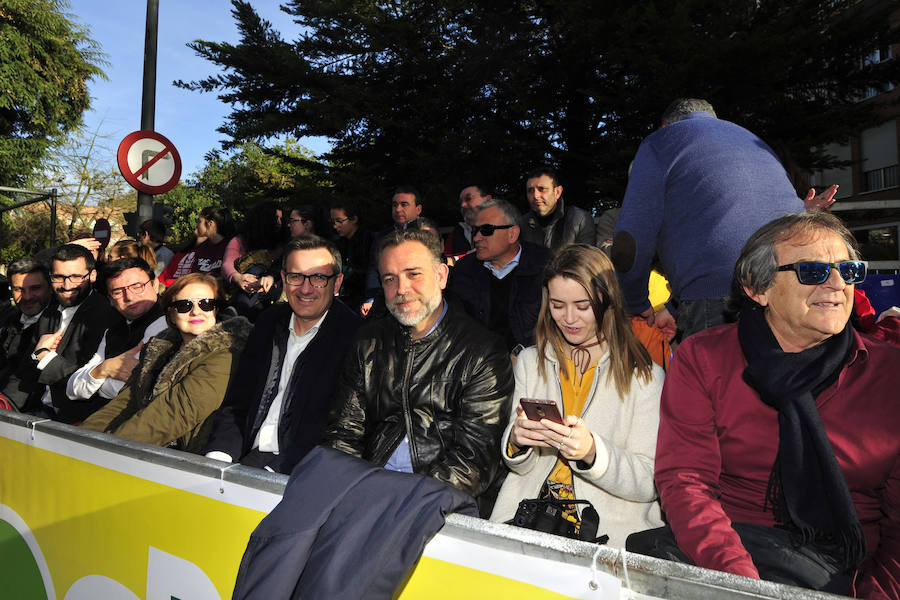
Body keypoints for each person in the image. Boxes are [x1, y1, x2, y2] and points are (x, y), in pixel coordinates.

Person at [627, 212, 900, 597]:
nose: (838, 285)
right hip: (726, 559)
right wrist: (740, 586)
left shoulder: (889, 373)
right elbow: (687, 482)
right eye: (813, 271)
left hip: (851, 573)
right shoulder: (704, 358)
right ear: (758, 288)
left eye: (849, 270)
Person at [612, 98, 838, 341]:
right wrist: (674, 309)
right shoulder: (752, 139)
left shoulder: (661, 142)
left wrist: (635, 302)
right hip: (790, 285)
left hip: (720, 295)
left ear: (666, 127)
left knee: (721, 378)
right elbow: (730, 223)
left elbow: (629, 243)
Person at [489, 245, 664, 548]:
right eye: (557, 305)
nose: (569, 318)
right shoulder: (532, 362)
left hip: (605, 534)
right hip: (527, 519)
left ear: (606, 300)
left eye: (582, 306)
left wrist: (593, 453)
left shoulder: (645, 376)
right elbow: (520, 469)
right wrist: (517, 441)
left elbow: (650, 482)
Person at [326, 229, 513, 504]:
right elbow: (343, 434)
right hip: (365, 490)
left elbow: (474, 462)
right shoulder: (368, 342)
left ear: (441, 276)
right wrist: (350, 491)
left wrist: (404, 501)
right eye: (390, 279)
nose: (401, 289)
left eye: (413, 274)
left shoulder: (483, 352)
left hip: (436, 505)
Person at [204, 235, 363, 473]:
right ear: (283, 279)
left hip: (300, 469)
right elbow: (239, 401)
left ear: (337, 283)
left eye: (319, 278)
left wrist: (274, 473)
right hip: (245, 456)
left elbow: (340, 432)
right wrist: (218, 456)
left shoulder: (356, 338)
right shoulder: (268, 321)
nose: (306, 289)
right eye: (296, 276)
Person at [81, 273, 252, 452]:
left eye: (206, 304)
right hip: (146, 447)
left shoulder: (227, 352)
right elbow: (126, 402)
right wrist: (80, 440)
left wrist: (105, 450)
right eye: (184, 305)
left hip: (189, 459)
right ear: (170, 313)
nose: (196, 311)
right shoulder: (158, 349)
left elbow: (173, 414)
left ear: (216, 310)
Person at [65, 258, 167, 422]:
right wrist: (104, 368)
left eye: (137, 286)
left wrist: (98, 382)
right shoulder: (112, 330)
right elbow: (73, 389)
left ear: (155, 285)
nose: (130, 296)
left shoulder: (169, 323)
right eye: (118, 291)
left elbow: (132, 388)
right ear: (110, 300)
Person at [31, 244, 120, 423]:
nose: (66, 285)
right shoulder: (49, 310)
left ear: (92, 275)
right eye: (58, 277)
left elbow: (87, 380)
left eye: (76, 277)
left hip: (73, 419)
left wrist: (44, 356)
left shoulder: (105, 315)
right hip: (35, 406)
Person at [447, 199, 551, 353]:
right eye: (475, 230)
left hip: (535, 362)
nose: (476, 238)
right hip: (480, 365)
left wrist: (524, 357)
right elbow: (456, 327)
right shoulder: (463, 270)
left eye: (486, 230)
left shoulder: (546, 265)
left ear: (512, 234)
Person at [361, 186, 423, 316]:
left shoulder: (427, 233)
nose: (398, 209)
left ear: (418, 209)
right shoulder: (381, 237)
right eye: (395, 205)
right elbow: (374, 269)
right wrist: (371, 298)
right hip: (387, 300)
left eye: (404, 204)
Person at [0, 258, 52, 411]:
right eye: (19, 289)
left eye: (35, 288)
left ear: (49, 288)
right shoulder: (9, 318)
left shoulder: (56, 324)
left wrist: (5, 403)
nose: (27, 297)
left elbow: (29, 376)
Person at [222, 201, 284, 320]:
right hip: (241, 287)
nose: (279, 223)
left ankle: (237, 311)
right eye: (276, 219)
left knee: (258, 270)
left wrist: (268, 280)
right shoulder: (240, 241)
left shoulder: (282, 245)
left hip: (271, 290)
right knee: (255, 270)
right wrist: (237, 277)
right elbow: (227, 264)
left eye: (281, 219)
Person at [520, 167, 596, 251]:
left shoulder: (580, 220)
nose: (535, 196)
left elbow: (586, 260)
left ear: (557, 192)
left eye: (542, 189)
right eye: (530, 190)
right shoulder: (521, 225)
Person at [158, 206, 234, 287]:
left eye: (199, 221)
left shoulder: (230, 246)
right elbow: (194, 275)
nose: (197, 225)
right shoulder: (202, 248)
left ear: (210, 224)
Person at [329, 199, 372, 313]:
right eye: (333, 222)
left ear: (354, 219)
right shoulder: (338, 242)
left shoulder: (369, 240)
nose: (335, 226)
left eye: (339, 221)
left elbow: (368, 273)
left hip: (363, 298)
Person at [445, 184, 492, 257]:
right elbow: (447, 262)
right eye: (460, 202)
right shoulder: (457, 233)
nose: (463, 205)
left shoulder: (505, 228)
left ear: (488, 200)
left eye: (468, 199)